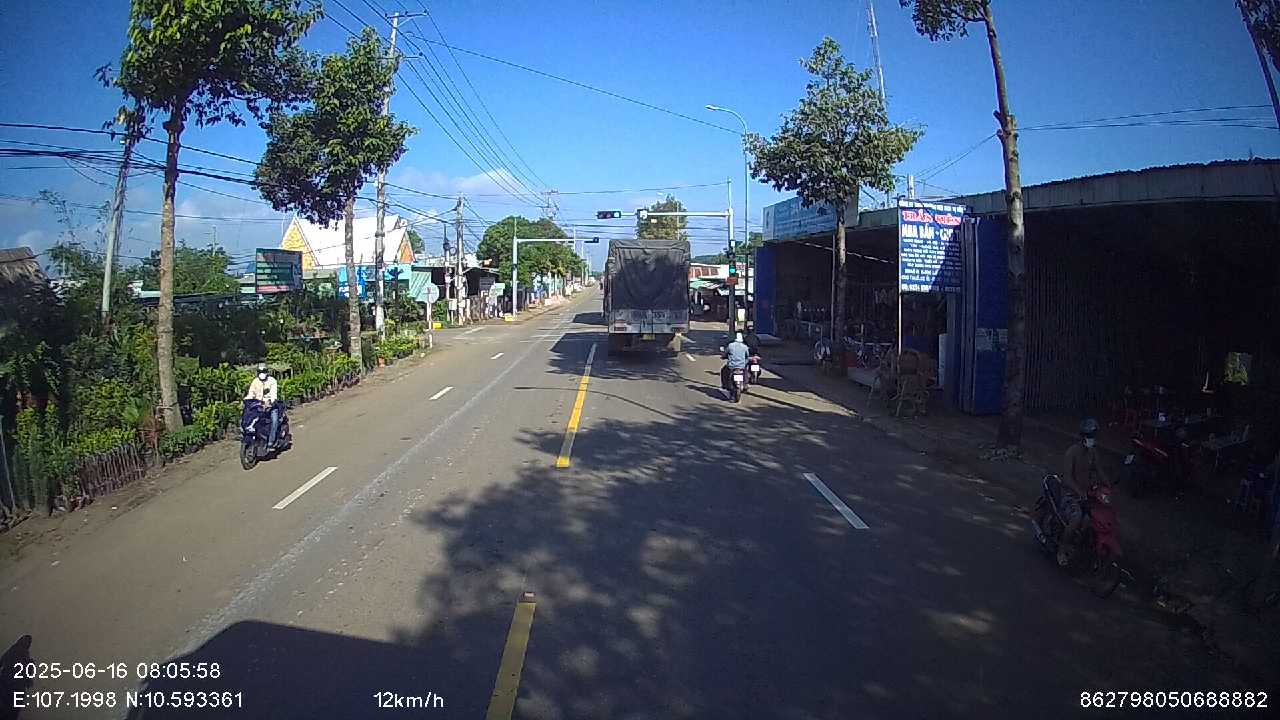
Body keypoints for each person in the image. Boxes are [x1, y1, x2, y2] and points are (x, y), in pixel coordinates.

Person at [1059, 417, 1108, 566]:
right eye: (1089, 436)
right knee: (1077, 518)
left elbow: (1099, 470)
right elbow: (1067, 477)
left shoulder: (1093, 453)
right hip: (1070, 495)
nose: (1091, 439)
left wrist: (1108, 484)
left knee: (1093, 519)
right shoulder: (1072, 452)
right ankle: (1062, 549)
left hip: (1087, 495)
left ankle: (1080, 546)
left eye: (1093, 436)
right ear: (1082, 436)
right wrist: (1079, 491)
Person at [245, 363, 281, 448]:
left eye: (263, 371)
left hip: (271, 406)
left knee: (274, 421)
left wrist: (270, 402)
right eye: (260, 371)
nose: (262, 373)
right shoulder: (255, 381)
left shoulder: (272, 381)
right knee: (250, 419)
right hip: (258, 406)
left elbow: (274, 395)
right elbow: (251, 393)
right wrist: (246, 400)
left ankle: (271, 441)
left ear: (267, 372)